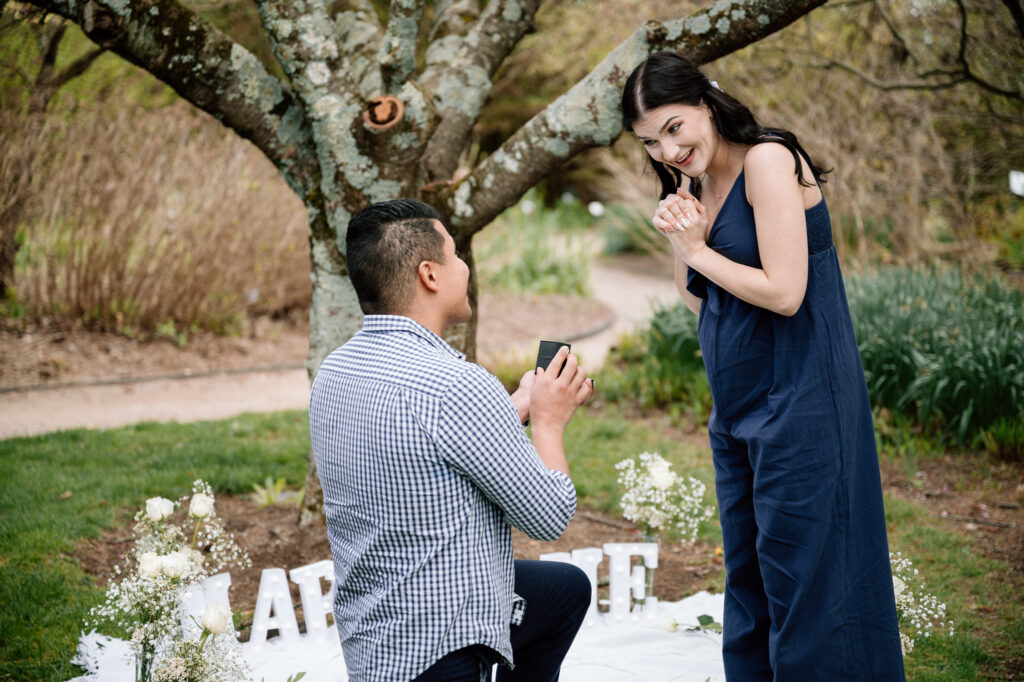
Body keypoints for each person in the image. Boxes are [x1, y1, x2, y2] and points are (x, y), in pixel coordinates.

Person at [620, 52, 905, 680]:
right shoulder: (691, 181)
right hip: (739, 401)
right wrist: (682, 239)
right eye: (650, 142)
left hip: (803, 396)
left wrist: (695, 245)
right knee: (749, 578)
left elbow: (785, 291)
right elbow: (698, 293)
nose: (667, 150)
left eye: (673, 127)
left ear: (704, 103)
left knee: (805, 576)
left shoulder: (769, 161)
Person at [308, 199, 595, 682]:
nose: (464, 267)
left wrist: (514, 409)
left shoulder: (335, 371)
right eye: (456, 255)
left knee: (562, 589)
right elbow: (548, 517)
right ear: (430, 275)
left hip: (375, 635)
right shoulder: (456, 384)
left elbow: (422, 441)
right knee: (559, 584)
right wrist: (548, 421)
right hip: (439, 647)